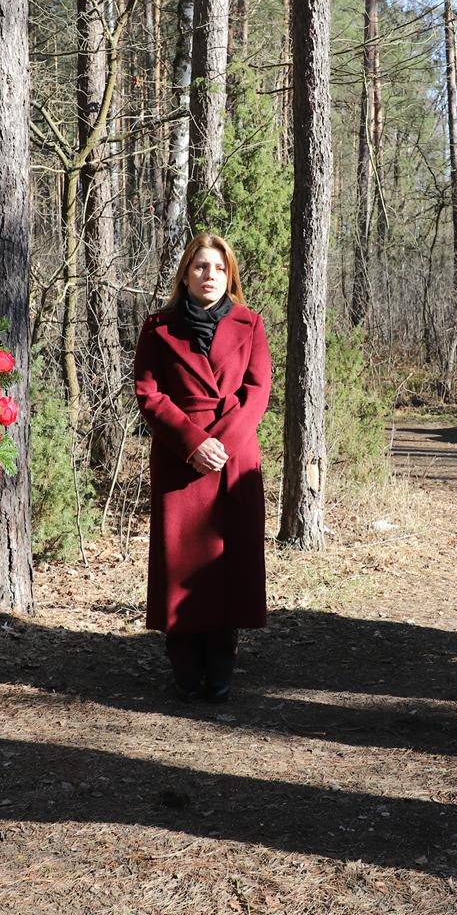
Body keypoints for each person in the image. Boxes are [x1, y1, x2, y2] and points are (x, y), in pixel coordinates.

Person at [133, 234, 271, 702]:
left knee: (229, 561)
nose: (208, 275)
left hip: (234, 457)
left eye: (217, 267)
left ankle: (222, 659)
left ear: (229, 274)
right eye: (199, 267)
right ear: (185, 273)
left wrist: (220, 444)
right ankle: (183, 660)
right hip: (180, 456)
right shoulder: (159, 326)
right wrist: (193, 443)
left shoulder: (250, 324)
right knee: (181, 562)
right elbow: (148, 393)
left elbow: (258, 393)